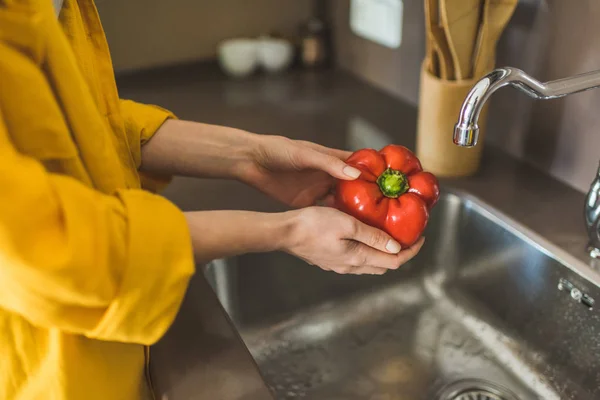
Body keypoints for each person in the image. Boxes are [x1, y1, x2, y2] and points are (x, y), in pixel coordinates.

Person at [0, 0, 425, 399]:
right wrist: (287, 231)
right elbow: (40, 248)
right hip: (51, 370)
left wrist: (248, 155)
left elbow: (83, 119)